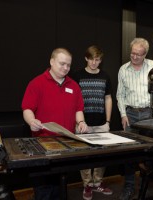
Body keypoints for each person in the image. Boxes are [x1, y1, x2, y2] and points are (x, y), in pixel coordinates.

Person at [22, 48, 88, 200]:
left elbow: (79, 109)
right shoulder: (36, 83)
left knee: (61, 187)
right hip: (43, 144)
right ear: (51, 62)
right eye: (62, 64)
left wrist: (81, 121)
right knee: (44, 190)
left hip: (67, 144)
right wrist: (31, 121)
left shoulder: (74, 85)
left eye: (68, 65)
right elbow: (27, 109)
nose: (65, 68)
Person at [116, 38, 153, 200]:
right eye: (132, 53)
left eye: (138, 55)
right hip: (130, 114)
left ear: (145, 54)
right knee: (129, 152)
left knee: (150, 150)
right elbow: (120, 95)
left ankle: (147, 182)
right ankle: (129, 186)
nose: (134, 57)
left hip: (149, 114)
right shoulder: (123, 69)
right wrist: (123, 115)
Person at [72, 45, 113, 200]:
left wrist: (108, 121)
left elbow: (108, 98)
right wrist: (79, 122)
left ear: (100, 60)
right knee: (85, 156)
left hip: (102, 123)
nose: (94, 63)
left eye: (97, 60)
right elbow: (74, 102)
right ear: (86, 58)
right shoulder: (77, 76)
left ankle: (98, 183)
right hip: (83, 124)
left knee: (102, 156)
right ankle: (87, 185)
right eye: (91, 59)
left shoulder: (105, 76)